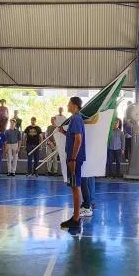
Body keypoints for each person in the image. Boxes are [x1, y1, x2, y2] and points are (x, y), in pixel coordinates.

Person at [58, 97, 86, 231]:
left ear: (74, 106)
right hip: (74, 158)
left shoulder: (75, 119)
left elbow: (78, 140)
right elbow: (73, 137)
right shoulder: (77, 119)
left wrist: (73, 159)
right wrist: (64, 132)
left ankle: (76, 219)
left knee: (75, 186)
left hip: (74, 159)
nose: (67, 105)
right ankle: (76, 217)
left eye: (69, 104)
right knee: (75, 186)